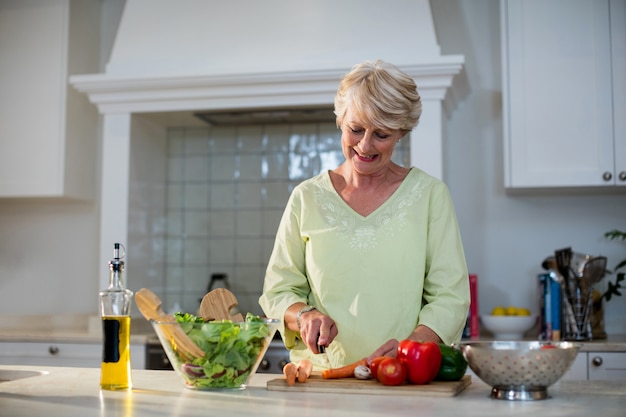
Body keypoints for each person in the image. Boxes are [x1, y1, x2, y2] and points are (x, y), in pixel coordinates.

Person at [259, 60, 470, 370]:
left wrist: (412, 347)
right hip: (320, 379)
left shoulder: (429, 195)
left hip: (401, 377)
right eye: (355, 129)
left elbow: (450, 296)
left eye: (381, 134)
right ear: (341, 121)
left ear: (401, 133)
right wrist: (305, 315)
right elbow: (278, 290)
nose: (365, 145)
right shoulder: (307, 197)